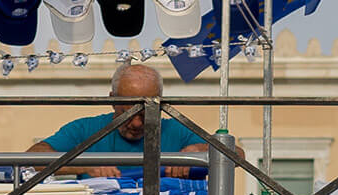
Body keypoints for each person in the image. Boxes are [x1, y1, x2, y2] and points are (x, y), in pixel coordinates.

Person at [26, 63, 230, 178]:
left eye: (147, 113)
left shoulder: (176, 130)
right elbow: (32, 159)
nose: (137, 124)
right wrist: (84, 166)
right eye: (128, 113)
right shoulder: (84, 129)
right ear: (112, 100)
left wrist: (199, 152)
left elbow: (236, 154)